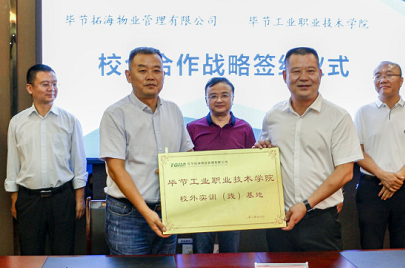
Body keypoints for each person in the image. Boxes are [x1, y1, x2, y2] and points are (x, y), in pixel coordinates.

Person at [255, 47, 363, 252]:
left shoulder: (338, 117)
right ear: (285, 76)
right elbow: (267, 160)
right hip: (280, 219)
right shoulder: (272, 116)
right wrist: (260, 152)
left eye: (310, 71)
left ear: (320, 75)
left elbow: (345, 172)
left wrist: (305, 205)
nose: (303, 77)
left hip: (321, 220)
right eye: (296, 71)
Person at [100, 47, 193, 255]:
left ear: (163, 75)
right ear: (128, 76)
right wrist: (146, 212)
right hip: (128, 215)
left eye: (157, 70)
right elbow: (115, 169)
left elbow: (187, 156)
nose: (151, 76)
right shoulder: (115, 114)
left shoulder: (174, 110)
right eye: (142, 70)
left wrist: (177, 169)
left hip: (168, 212)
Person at [4, 64, 87, 256]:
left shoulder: (70, 120)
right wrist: (14, 199)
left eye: (55, 84)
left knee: (64, 255)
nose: (52, 88)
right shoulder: (17, 122)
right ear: (30, 88)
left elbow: (79, 162)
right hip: (29, 199)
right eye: (45, 84)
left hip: (61, 197)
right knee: (30, 257)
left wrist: (79, 198)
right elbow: (13, 162)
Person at [354, 61, 405, 249]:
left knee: (404, 247)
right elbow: (357, 151)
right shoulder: (363, 112)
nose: (383, 79)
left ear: (401, 80)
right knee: (370, 248)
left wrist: (397, 179)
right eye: (378, 76)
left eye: (389, 75)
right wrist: (383, 175)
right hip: (371, 188)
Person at [186, 77, 256, 253]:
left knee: (231, 255)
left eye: (224, 95)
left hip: (234, 202)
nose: (219, 100)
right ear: (206, 99)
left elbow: (253, 165)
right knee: (200, 255)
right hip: (201, 203)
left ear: (233, 98)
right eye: (213, 96)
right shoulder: (192, 128)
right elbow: (185, 165)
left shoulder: (245, 128)